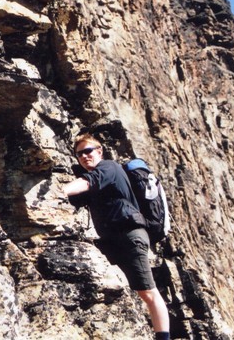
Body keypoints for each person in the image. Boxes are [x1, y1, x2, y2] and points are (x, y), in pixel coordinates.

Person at [61, 134, 170, 340]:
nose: (84, 156)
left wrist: (62, 190)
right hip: (114, 239)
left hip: (130, 235)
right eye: (79, 154)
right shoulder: (100, 178)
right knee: (134, 291)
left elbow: (87, 183)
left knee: (148, 291)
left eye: (88, 151)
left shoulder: (109, 168)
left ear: (99, 151)